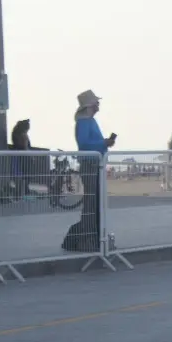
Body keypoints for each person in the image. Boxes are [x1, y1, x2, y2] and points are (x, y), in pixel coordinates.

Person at [64, 89, 115, 252]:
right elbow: (84, 144)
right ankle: (82, 236)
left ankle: (90, 234)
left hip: (96, 164)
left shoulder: (90, 121)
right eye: (96, 102)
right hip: (89, 164)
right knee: (91, 202)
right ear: (89, 105)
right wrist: (103, 144)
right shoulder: (83, 123)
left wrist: (104, 144)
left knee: (95, 202)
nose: (98, 105)